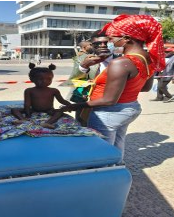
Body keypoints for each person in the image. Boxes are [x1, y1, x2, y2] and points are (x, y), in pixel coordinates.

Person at [60, 14, 166, 162]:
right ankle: (116, 166)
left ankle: (105, 177)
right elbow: (144, 87)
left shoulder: (120, 62)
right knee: (115, 144)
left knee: (101, 151)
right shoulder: (147, 58)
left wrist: (74, 106)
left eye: (111, 38)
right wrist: (84, 69)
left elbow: (110, 99)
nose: (108, 42)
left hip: (106, 111)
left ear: (127, 38)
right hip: (120, 106)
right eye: (99, 43)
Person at [11, 63, 71, 129]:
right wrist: (27, 115)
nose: (45, 81)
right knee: (14, 110)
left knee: (59, 112)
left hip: (49, 110)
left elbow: (61, 100)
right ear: (32, 79)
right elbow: (27, 104)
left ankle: (47, 123)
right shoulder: (29, 90)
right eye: (40, 79)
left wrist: (69, 105)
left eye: (49, 79)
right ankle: (22, 119)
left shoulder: (54, 90)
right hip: (33, 110)